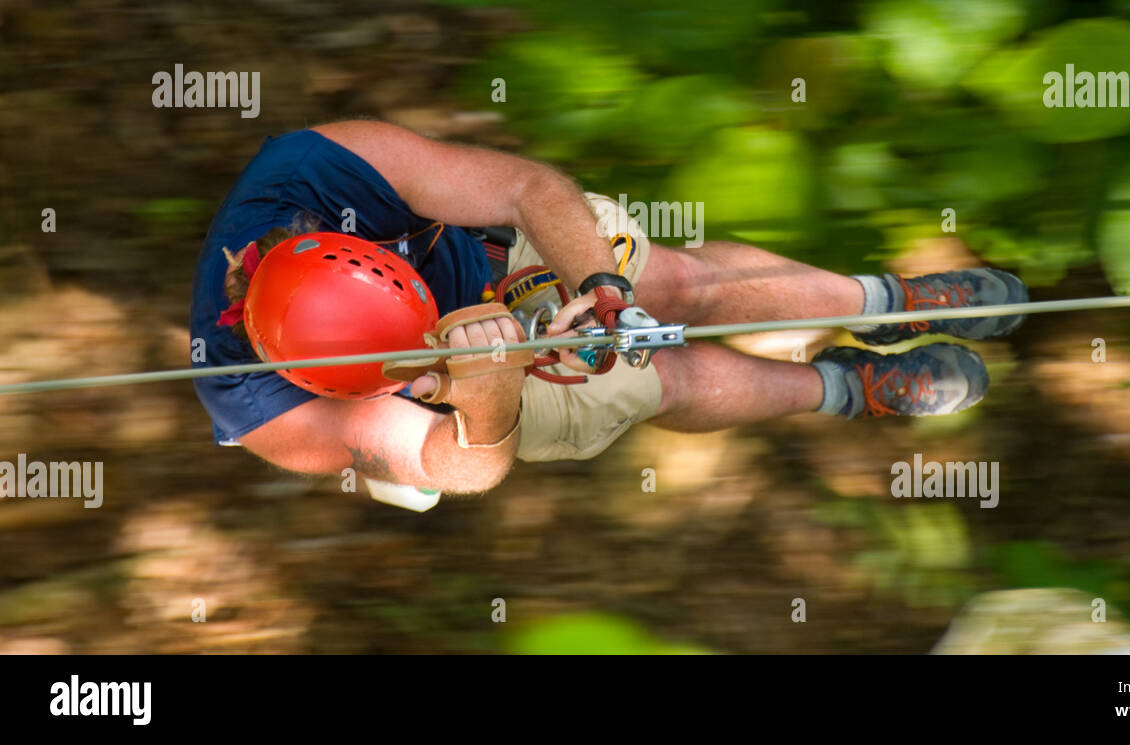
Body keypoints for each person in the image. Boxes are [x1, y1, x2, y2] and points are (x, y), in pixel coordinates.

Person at [190, 120, 1027, 502]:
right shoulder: (268, 410)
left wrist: (604, 291)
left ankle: (886, 302)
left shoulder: (315, 170)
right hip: (460, 399)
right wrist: (487, 387)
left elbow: (524, 188)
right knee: (660, 378)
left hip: (483, 257)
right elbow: (466, 466)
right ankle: (853, 388)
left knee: (677, 290)